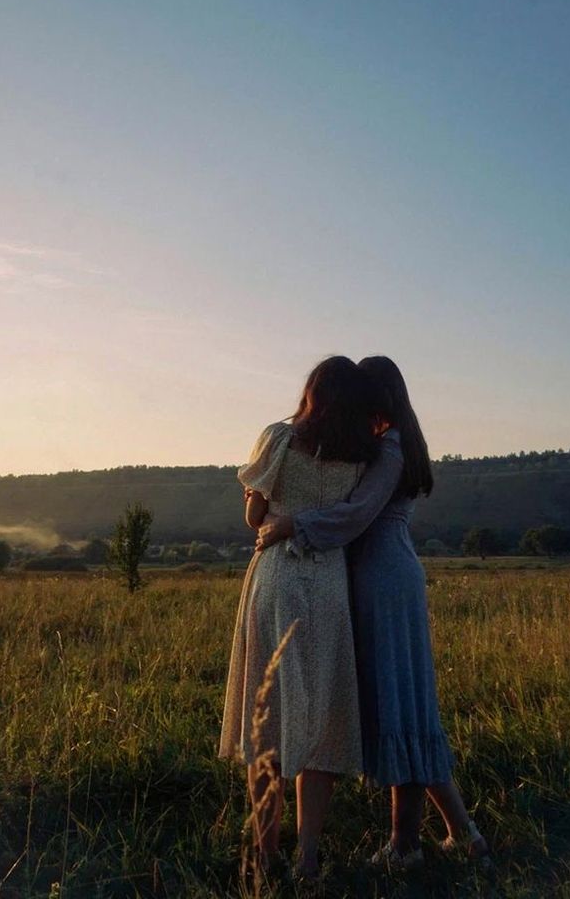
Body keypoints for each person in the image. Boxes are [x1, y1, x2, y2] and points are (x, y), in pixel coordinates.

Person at [256, 356, 491, 872]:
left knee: (402, 711)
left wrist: (292, 523)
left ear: (376, 399)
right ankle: (448, 835)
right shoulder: (400, 442)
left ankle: (418, 843)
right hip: (386, 578)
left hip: (383, 581)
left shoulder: (388, 449)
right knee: (401, 710)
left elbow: (356, 513)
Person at [218, 356, 378, 882]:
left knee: (267, 716)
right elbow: (349, 522)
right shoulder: (363, 453)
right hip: (328, 582)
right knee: (322, 714)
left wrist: (257, 503)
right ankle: (308, 855)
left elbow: (254, 518)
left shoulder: (278, 438)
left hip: (278, 578)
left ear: (311, 392)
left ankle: (265, 855)